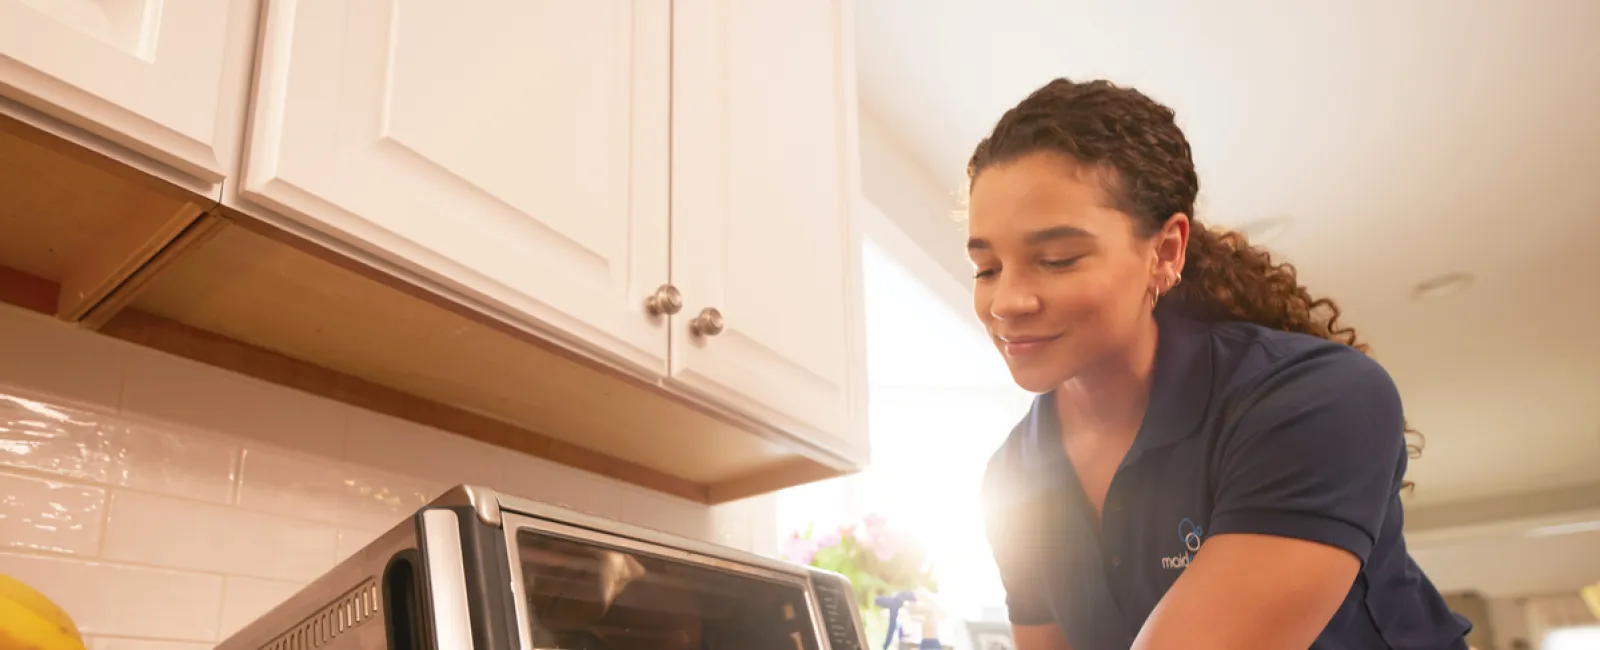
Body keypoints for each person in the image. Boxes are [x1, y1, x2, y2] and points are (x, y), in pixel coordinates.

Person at [970, 78, 1472, 650]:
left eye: (1057, 259)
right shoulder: (1015, 473)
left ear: (1165, 252)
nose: (1007, 302)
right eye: (986, 268)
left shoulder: (1317, 397)